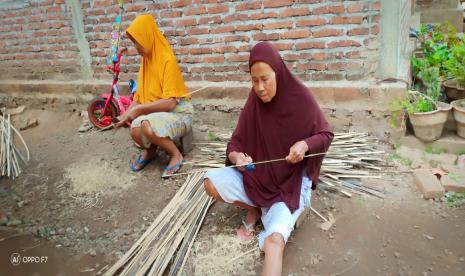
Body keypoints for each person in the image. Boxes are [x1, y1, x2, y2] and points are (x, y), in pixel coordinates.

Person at [203, 42, 334, 276]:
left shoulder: (300, 97)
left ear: (278, 73)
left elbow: (325, 134)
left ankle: (272, 214)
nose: (260, 88)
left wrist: (304, 145)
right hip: (258, 179)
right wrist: (237, 158)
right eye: (254, 81)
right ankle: (256, 207)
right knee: (210, 183)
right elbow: (234, 144)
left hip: (288, 186)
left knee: (274, 243)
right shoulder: (253, 102)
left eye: (265, 79)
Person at [115, 14, 193, 176]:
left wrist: (139, 110)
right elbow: (139, 99)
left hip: (179, 112)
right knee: (135, 129)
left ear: (148, 36)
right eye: (134, 42)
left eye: (138, 41)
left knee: (146, 125)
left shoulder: (167, 59)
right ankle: (151, 151)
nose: (135, 46)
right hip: (157, 114)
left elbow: (171, 103)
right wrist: (126, 114)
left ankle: (175, 155)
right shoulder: (146, 61)